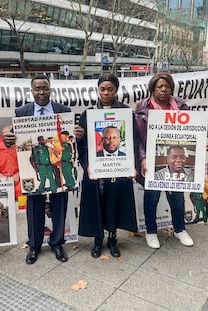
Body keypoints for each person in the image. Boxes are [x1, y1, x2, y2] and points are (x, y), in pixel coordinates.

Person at [13, 74, 84, 265]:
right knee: (34, 206)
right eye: (37, 88)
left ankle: (57, 243)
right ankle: (35, 245)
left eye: (45, 88)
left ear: (50, 89)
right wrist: (10, 139)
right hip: (35, 166)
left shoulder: (64, 110)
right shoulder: (21, 112)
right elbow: (18, 139)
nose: (41, 92)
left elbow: (70, 138)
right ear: (32, 90)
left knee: (59, 203)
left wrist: (78, 135)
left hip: (59, 164)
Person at [77, 73, 138, 258]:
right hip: (95, 170)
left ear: (116, 90)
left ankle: (112, 238)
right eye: (102, 89)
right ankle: (97, 239)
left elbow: (133, 141)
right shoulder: (87, 114)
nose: (106, 92)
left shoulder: (126, 112)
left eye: (110, 89)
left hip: (119, 168)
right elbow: (82, 145)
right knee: (97, 204)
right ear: (98, 90)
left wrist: (131, 165)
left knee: (114, 203)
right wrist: (86, 164)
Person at [135, 73, 194, 249]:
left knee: (177, 197)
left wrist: (198, 145)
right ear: (152, 89)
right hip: (152, 160)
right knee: (152, 197)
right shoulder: (143, 108)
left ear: (171, 88)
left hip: (175, 160)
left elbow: (192, 131)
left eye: (166, 86)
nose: (163, 89)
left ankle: (180, 229)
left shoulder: (181, 106)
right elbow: (138, 139)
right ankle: (151, 232)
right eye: (159, 86)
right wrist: (143, 158)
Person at [0, 125, 22, 199]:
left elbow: (27, 164)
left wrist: (18, 174)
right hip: (1, 180)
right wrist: (0, 175)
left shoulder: (20, 148)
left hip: (18, 180)